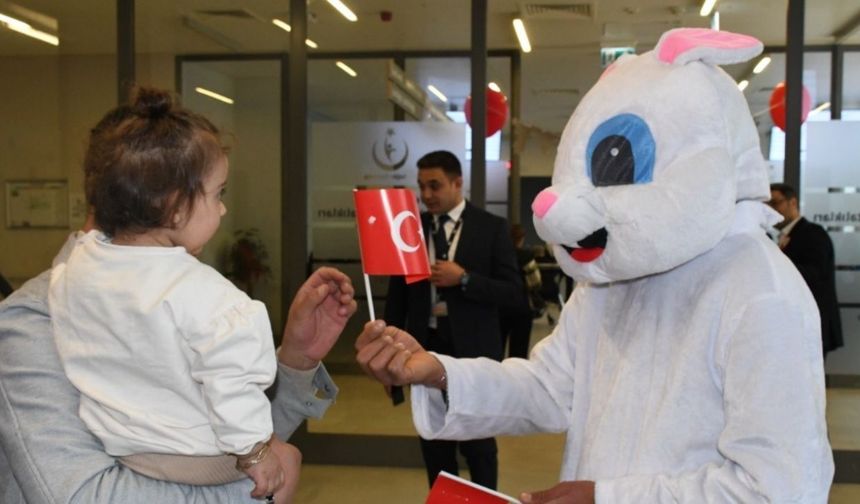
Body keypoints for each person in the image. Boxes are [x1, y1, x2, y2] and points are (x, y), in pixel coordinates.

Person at [357, 28, 833, 503]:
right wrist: (437, 372)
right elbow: (548, 386)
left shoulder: (760, 294)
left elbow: (780, 489)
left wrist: (606, 498)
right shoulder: (611, 279)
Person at [0, 88, 354, 504]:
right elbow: (82, 497)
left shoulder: (157, 290)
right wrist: (256, 494)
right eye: (217, 193)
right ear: (171, 203)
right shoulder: (33, 319)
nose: (221, 209)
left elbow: (224, 427)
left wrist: (295, 359)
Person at [383, 150, 522, 489]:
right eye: (421, 187)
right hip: (424, 348)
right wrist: (388, 354)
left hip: (475, 352)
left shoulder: (491, 228)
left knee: (479, 445)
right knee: (434, 441)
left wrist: (465, 279)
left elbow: (513, 293)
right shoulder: (410, 228)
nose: (426, 194)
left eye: (435, 185)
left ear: (457, 183)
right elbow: (397, 297)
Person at [769, 183, 843, 356]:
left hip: (811, 325)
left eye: (775, 203)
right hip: (800, 324)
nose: (771, 209)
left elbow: (815, 274)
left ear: (793, 202)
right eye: (766, 205)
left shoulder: (812, 233)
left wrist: (775, 261)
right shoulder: (786, 236)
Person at [499, 224, 540, 359]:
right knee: (519, 351)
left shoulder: (498, 255)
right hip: (522, 308)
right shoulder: (526, 256)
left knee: (497, 349)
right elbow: (535, 282)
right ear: (521, 238)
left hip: (500, 307)